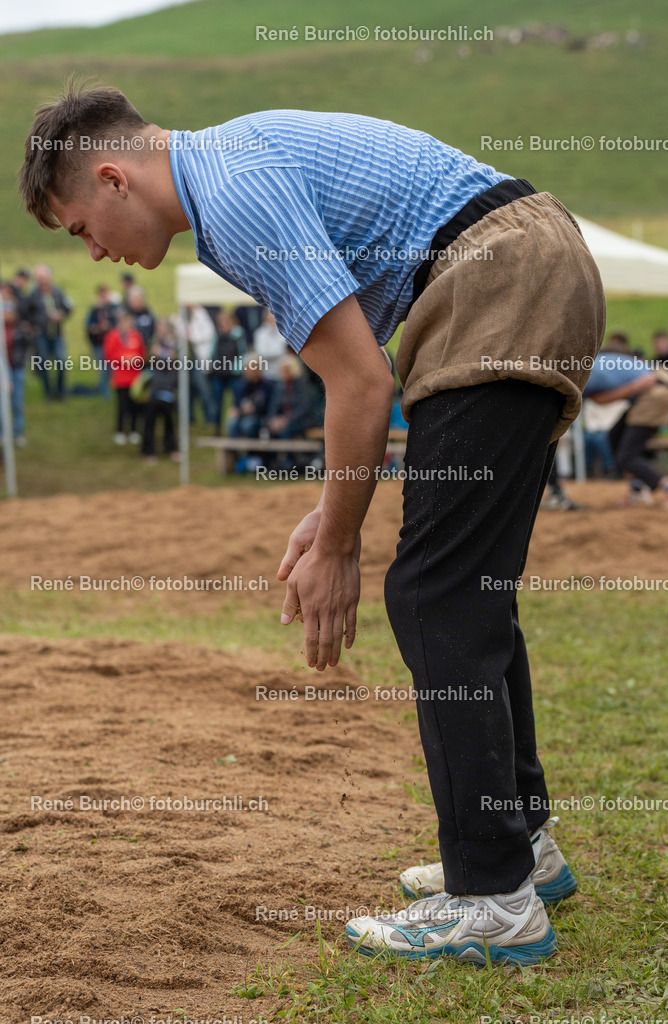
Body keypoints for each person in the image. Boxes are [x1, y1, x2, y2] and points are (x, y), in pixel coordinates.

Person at [20, 82, 607, 966]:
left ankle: (493, 899)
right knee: (466, 586)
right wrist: (327, 511)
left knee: (434, 595)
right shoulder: (230, 170)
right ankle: (518, 846)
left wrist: (338, 546)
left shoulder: (231, 192)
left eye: (80, 230)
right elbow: (359, 379)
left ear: (111, 178)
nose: (95, 253)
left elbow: (360, 384)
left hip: (496, 275)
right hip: (522, 259)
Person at [584, 351, 668, 507]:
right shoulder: (585, 362)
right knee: (614, 437)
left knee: (627, 455)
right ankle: (637, 490)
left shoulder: (583, 373)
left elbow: (602, 400)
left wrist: (633, 387)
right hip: (651, 387)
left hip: (657, 389)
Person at [25, 264, 72, 399]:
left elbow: (68, 307)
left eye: (44, 277)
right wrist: (40, 320)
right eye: (39, 278)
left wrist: (61, 314)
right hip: (41, 333)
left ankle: (61, 392)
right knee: (43, 362)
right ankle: (48, 393)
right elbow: (28, 313)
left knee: (61, 361)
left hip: (56, 333)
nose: (43, 281)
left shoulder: (58, 292)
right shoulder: (33, 295)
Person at [102, 310, 145, 445]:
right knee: (122, 405)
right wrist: (124, 359)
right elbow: (109, 354)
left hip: (134, 377)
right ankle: (119, 431)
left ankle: (133, 431)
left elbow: (141, 354)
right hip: (120, 377)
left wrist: (134, 359)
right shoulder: (113, 336)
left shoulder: (136, 336)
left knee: (134, 405)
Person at [142, 321, 180, 463]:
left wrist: (172, 356)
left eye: (163, 328)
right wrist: (154, 355)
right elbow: (146, 361)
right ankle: (149, 451)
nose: (160, 331)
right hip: (154, 387)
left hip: (168, 388)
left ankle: (171, 448)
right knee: (149, 422)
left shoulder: (174, 344)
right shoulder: (153, 343)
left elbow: (179, 363)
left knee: (169, 421)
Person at [1, 283, 29, 446]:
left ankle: (18, 433)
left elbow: (26, 344)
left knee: (17, 402)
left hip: (16, 366)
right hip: (2, 368)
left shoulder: (19, 327)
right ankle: (4, 434)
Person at [209, 309, 247, 434]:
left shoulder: (238, 336)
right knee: (217, 403)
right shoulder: (217, 336)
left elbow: (242, 354)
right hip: (218, 374)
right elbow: (213, 353)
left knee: (235, 403)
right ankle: (217, 428)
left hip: (233, 375)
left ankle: (234, 429)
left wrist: (236, 369)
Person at [85, 284, 119, 396]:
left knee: (113, 369)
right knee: (103, 369)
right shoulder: (94, 310)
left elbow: (119, 325)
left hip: (113, 344)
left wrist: (109, 326)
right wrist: (99, 328)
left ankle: (114, 390)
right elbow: (89, 326)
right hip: (99, 344)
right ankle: (105, 393)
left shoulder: (114, 309)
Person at [253, 309, 288, 381]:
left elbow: (286, 350)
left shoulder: (284, 331)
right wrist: (279, 351)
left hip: (282, 373)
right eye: (270, 319)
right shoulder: (260, 333)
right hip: (265, 373)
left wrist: (270, 351)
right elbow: (261, 353)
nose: (273, 321)